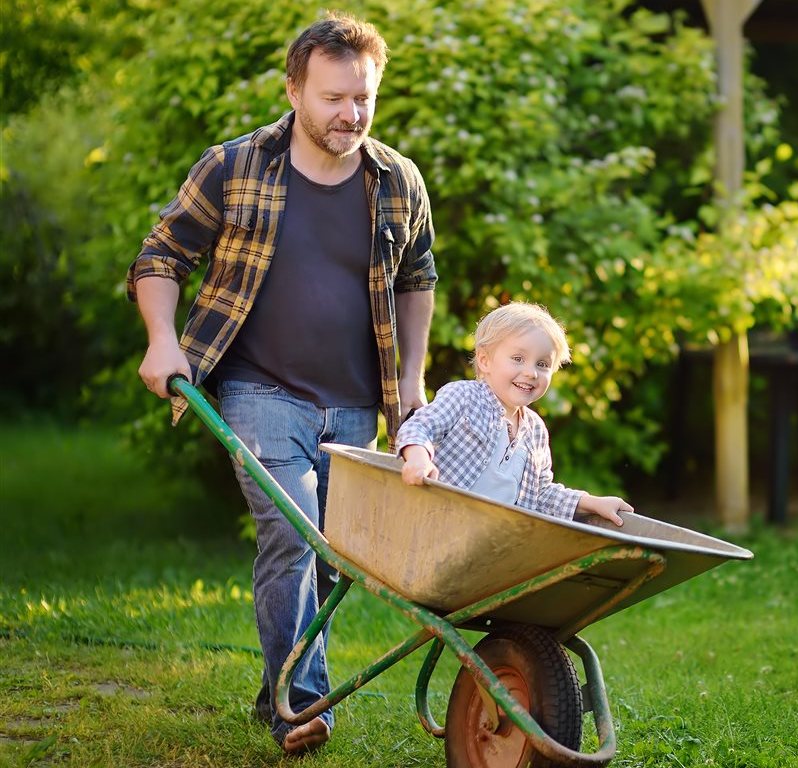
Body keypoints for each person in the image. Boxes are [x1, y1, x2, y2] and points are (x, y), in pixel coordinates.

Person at [127, 13, 435, 754]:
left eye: (363, 97)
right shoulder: (234, 166)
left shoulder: (396, 181)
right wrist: (163, 340)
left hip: (356, 402)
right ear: (294, 90)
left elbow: (417, 278)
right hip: (257, 390)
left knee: (328, 556)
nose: (350, 114)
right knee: (293, 533)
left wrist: (412, 380)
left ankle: (280, 683)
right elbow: (161, 255)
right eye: (333, 98)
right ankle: (301, 704)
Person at [397, 302, 632, 526]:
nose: (531, 373)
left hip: (489, 541)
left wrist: (592, 503)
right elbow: (419, 427)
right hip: (436, 523)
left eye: (542, 364)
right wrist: (418, 458)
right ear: (485, 360)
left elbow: (541, 495)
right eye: (518, 359)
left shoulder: (536, 430)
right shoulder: (464, 397)